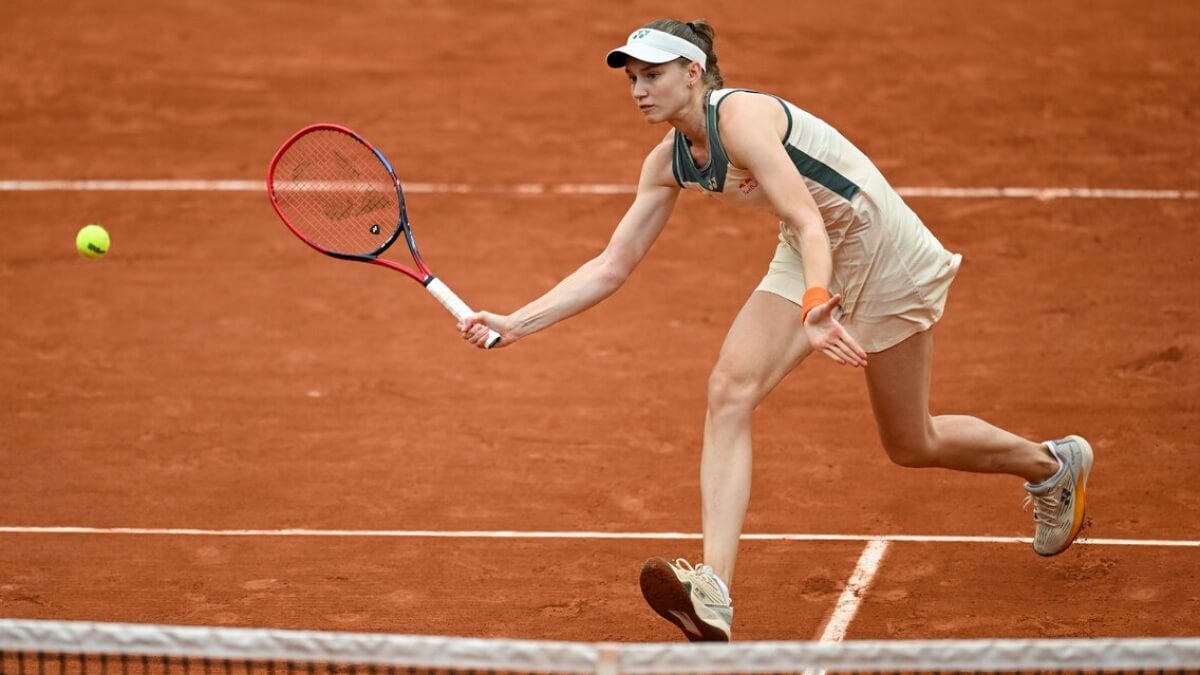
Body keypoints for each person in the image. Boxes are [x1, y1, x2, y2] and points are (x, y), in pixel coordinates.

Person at [459, 18, 1094, 642]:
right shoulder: (668, 162)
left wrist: (816, 304)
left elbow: (812, 219)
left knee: (910, 441)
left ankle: (1050, 465)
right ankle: (714, 589)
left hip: (878, 246)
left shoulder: (742, 119)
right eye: (632, 79)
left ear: (693, 72)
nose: (639, 90)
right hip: (808, 249)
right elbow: (611, 266)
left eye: (652, 75)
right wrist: (517, 323)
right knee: (728, 389)